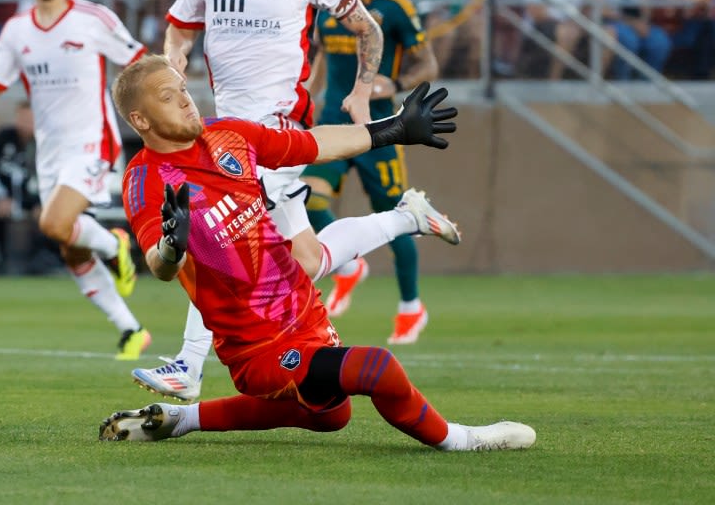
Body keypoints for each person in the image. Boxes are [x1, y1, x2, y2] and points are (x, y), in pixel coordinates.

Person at [137, 0, 457, 402]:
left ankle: (189, 367)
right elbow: (178, 30)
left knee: (220, 239)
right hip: (226, 130)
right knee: (305, 259)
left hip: (275, 132)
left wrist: (361, 90)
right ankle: (407, 217)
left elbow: (367, 28)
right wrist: (173, 67)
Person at [99, 55, 535, 452]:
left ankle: (181, 419)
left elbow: (313, 144)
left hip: (306, 314)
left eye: (181, 87)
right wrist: (172, 247)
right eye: (167, 96)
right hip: (255, 348)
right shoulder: (145, 179)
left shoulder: (228, 133)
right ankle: (461, 440)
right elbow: (158, 265)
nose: (185, 99)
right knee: (376, 368)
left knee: (332, 415)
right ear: (140, 118)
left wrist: (392, 130)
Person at [0, 0, 150, 359]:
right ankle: (130, 329)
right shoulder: (17, 29)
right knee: (70, 245)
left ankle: (117, 246)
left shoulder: (93, 18)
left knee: (52, 225)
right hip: (49, 152)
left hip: (91, 142)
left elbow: (138, 62)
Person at [301, 0, 442, 342]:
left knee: (397, 217)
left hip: (381, 129)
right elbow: (321, 56)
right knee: (307, 196)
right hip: (332, 122)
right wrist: (305, 100)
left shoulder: (395, 9)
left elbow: (427, 65)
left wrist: (393, 85)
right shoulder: (327, 4)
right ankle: (348, 265)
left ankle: (411, 307)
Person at [0, 101, 58, 276]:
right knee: (1, 209)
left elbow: (45, 179)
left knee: (43, 213)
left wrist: (39, 201)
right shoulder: (3, 137)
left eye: (30, 119)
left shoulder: (41, 144)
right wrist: (2, 196)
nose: (25, 124)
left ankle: (38, 261)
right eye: (22, 119)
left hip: (28, 197)